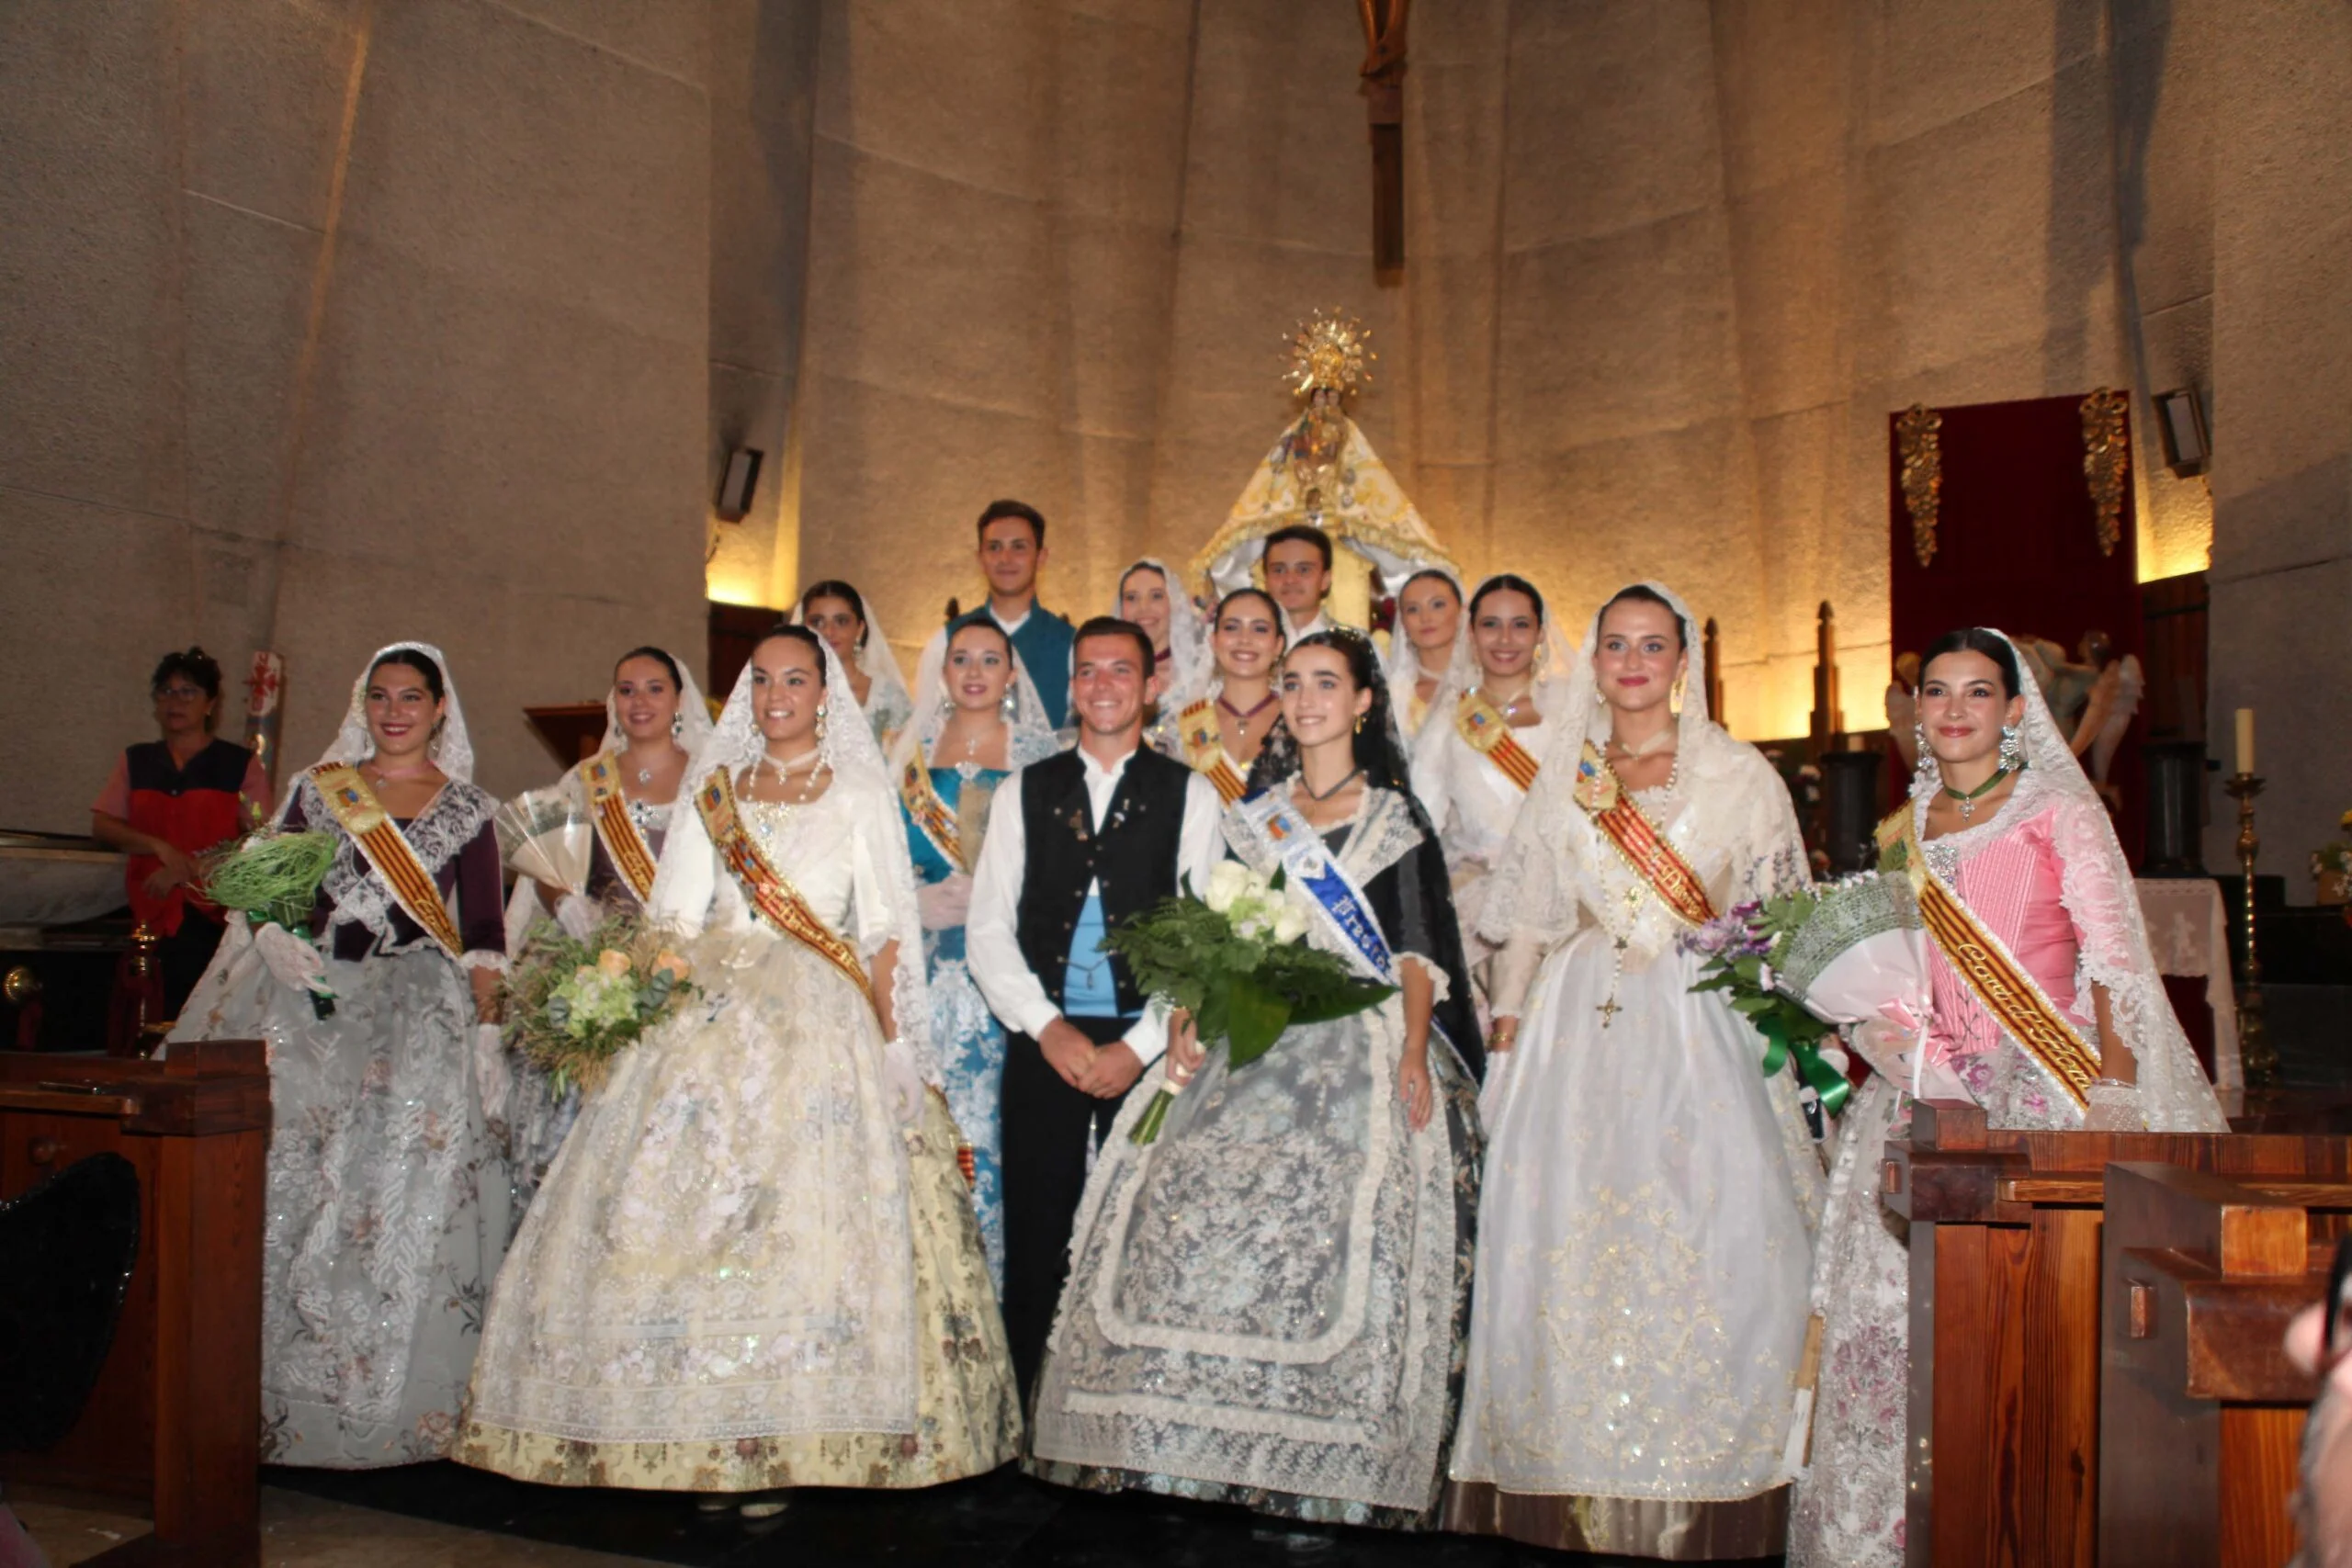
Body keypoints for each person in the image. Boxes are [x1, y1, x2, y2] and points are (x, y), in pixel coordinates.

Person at [458, 626, 1019, 1511]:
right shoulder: (713, 792)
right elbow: (675, 918)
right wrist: (636, 1016)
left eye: (795, 679)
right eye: (762, 681)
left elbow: (881, 930)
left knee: (795, 1223)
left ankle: (788, 1433)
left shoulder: (861, 792)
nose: (777, 695)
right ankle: (700, 1430)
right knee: (694, 1219)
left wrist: (898, 1039)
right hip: (709, 1014)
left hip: (820, 1020)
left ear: (825, 693)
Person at [1787, 626, 2226, 1568]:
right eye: (1934, 692)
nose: (1949, 710)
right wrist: (1872, 1031)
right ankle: (1896, 1533)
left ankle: (2020, 1519)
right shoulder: (1905, 826)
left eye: (1975, 693)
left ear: (2016, 711)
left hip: (2040, 1087)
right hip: (1921, 1095)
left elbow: (2112, 961)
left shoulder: (2056, 815)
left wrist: (2109, 1089)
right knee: (1896, 1318)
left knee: (2021, 1321)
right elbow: (1897, 963)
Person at [1029, 628, 1484, 1531]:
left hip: (1362, 1039)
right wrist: (1190, 1017)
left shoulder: (1395, 818)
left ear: (1362, 702)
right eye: (1294, 684)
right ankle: (1189, 1449)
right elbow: (1218, 934)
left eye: (1327, 683)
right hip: (1256, 1033)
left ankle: (1322, 1466)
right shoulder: (1256, 813)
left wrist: (1408, 1051)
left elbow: (1417, 951)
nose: (1307, 699)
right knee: (1190, 1207)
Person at [1449, 583, 1825, 1558]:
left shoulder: (1740, 776)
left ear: (1680, 663)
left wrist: (1798, 1043)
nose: (1630, 661)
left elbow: (1783, 920)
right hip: (1575, 1033)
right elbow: (1527, 919)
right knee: (1562, 1234)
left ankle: (1705, 1482)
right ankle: (1572, 1471)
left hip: (1703, 1029)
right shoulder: (1564, 777)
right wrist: (1504, 1030)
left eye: (1652, 645)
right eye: (1615, 643)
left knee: (1714, 1238)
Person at [167, 643, 511, 1467]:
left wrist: (491, 1032)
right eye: (382, 696)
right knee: (285, 1173)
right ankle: (249, 1392)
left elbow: (487, 933)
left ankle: (384, 1400)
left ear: (439, 710)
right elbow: (272, 887)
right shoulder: (319, 791)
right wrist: (277, 933)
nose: (397, 711)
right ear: (365, 704)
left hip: (417, 1010)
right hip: (312, 998)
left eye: (413, 697)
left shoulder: (469, 808)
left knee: (398, 1187)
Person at [965, 617, 1224, 1397]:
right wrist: (1044, 1026)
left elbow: (1204, 933)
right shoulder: (1025, 789)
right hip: (1045, 1037)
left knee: (1138, 1230)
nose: (1102, 685)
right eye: (1087, 671)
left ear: (1150, 687)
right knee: (1038, 1227)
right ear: (1071, 686)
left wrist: (1139, 1046)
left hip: (1145, 1046)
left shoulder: (1190, 792)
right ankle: (1030, 1410)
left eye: (1121, 670)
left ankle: (1127, 1410)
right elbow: (987, 926)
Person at [893, 619, 1061, 1292]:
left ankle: (993, 1282)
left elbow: (1056, 863)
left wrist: (998, 901)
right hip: (925, 960)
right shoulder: (907, 756)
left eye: (991, 659)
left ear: (1012, 675)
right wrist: (915, 902)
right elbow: (873, 861)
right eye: (961, 658)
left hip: (1005, 964)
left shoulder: (1036, 754)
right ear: (943, 671)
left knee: (994, 1121)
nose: (974, 671)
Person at [89, 648, 271, 1014]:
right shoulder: (137, 760)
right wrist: (157, 847)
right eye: (166, 692)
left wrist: (186, 868)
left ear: (210, 704)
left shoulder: (238, 765)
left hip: (212, 916)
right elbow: (103, 824)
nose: (175, 701)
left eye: (188, 692)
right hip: (147, 911)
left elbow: (260, 842)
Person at [1408, 574, 1570, 986]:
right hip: (1477, 898)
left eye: (1520, 625)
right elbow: (1421, 820)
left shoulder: (1571, 711)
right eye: (1491, 624)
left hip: (1565, 889)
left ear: (1539, 633)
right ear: (1471, 633)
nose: (1505, 639)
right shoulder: (1449, 720)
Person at [915, 501, 1078, 730]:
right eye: (994, 547)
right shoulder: (946, 642)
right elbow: (924, 732)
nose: (1005, 558)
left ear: (1041, 557)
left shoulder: (1071, 645)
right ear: (980, 558)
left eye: (1019, 547)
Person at [1160, 588, 1287, 805]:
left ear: (1278, 645)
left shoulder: (1297, 721)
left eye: (1259, 629)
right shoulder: (1181, 726)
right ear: (1214, 641)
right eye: (1231, 627)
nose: (1244, 639)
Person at [797, 579, 916, 753]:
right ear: (803, 628)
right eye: (817, 622)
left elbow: (905, 764)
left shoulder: (885, 695)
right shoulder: (789, 691)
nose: (829, 632)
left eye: (841, 621)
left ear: (860, 629)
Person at [1114, 558, 1209, 710]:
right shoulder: (1104, 675)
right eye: (1131, 598)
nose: (1143, 608)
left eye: (1156, 596)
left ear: (1173, 604)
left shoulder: (1202, 672)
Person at [1385, 568, 1464, 739]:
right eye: (1413, 609)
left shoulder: (1486, 685)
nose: (1426, 618)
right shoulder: (1393, 696)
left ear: (1461, 612)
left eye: (1437, 605)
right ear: (1402, 622)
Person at [1262, 524, 1336, 641]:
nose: (1290, 580)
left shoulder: (1352, 645)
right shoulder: (1249, 644)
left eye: (1304, 570)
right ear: (1266, 580)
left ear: (1325, 580)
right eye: (1279, 570)